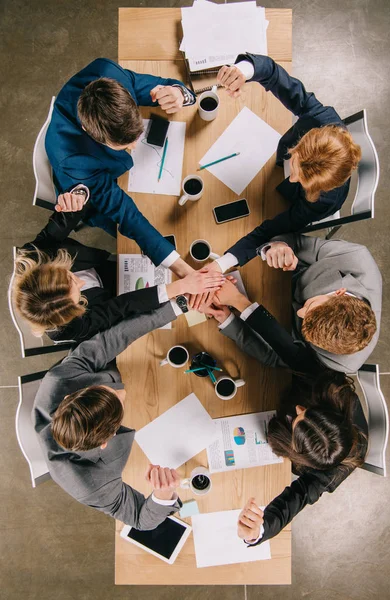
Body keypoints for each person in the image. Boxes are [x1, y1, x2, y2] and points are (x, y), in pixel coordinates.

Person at [205, 53, 362, 273]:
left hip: (289, 202)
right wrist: (243, 71)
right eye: (296, 164)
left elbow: (271, 230)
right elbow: (271, 72)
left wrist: (222, 264)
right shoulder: (321, 119)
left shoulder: (323, 201)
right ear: (305, 139)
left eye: (302, 181)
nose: (292, 177)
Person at [33, 304, 183, 528]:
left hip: (120, 362)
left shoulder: (59, 381)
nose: (122, 392)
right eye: (119, 402)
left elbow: (111, 339)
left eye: (105, 391)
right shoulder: (91, 485)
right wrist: (164, 494)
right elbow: (141, 520)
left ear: (71, 398)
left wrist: (178, 306)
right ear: (106, 441)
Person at [45, 57, 196, 278]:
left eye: (136, 137)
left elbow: (163, 86)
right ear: (90, 132)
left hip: (105, 168)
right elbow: (125, 213)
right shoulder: (71, 159)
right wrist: (180, 267)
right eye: (125, 145)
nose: (135, 147)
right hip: (87, 194)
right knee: (135, 233)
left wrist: (179, 93)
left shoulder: (109, 73)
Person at [13, 191, 224, 344]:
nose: (81, 281)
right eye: (77, 293)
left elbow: (62, 220)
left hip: (106, 265)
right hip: (114, 298)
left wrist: (76, 197)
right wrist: (182, 288)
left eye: (70, 278)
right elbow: (119, 307)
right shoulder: (67, 328)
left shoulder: (35, 254)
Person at [205, 233, 381, 373]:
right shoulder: (355, 258)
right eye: (310, 308)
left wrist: (228, 319)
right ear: (339, 293)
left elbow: (275, 357)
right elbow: (296, 241)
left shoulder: (342, 363)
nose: (299, 313)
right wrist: (278, 247)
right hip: (277, 272)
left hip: (275, 326)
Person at [235, 371, 368, 545]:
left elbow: (296, 499)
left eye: (298, 418)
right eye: (307, 412)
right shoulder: (336, 393)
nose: (299, 409)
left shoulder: (329, 476)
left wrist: (257, 531)